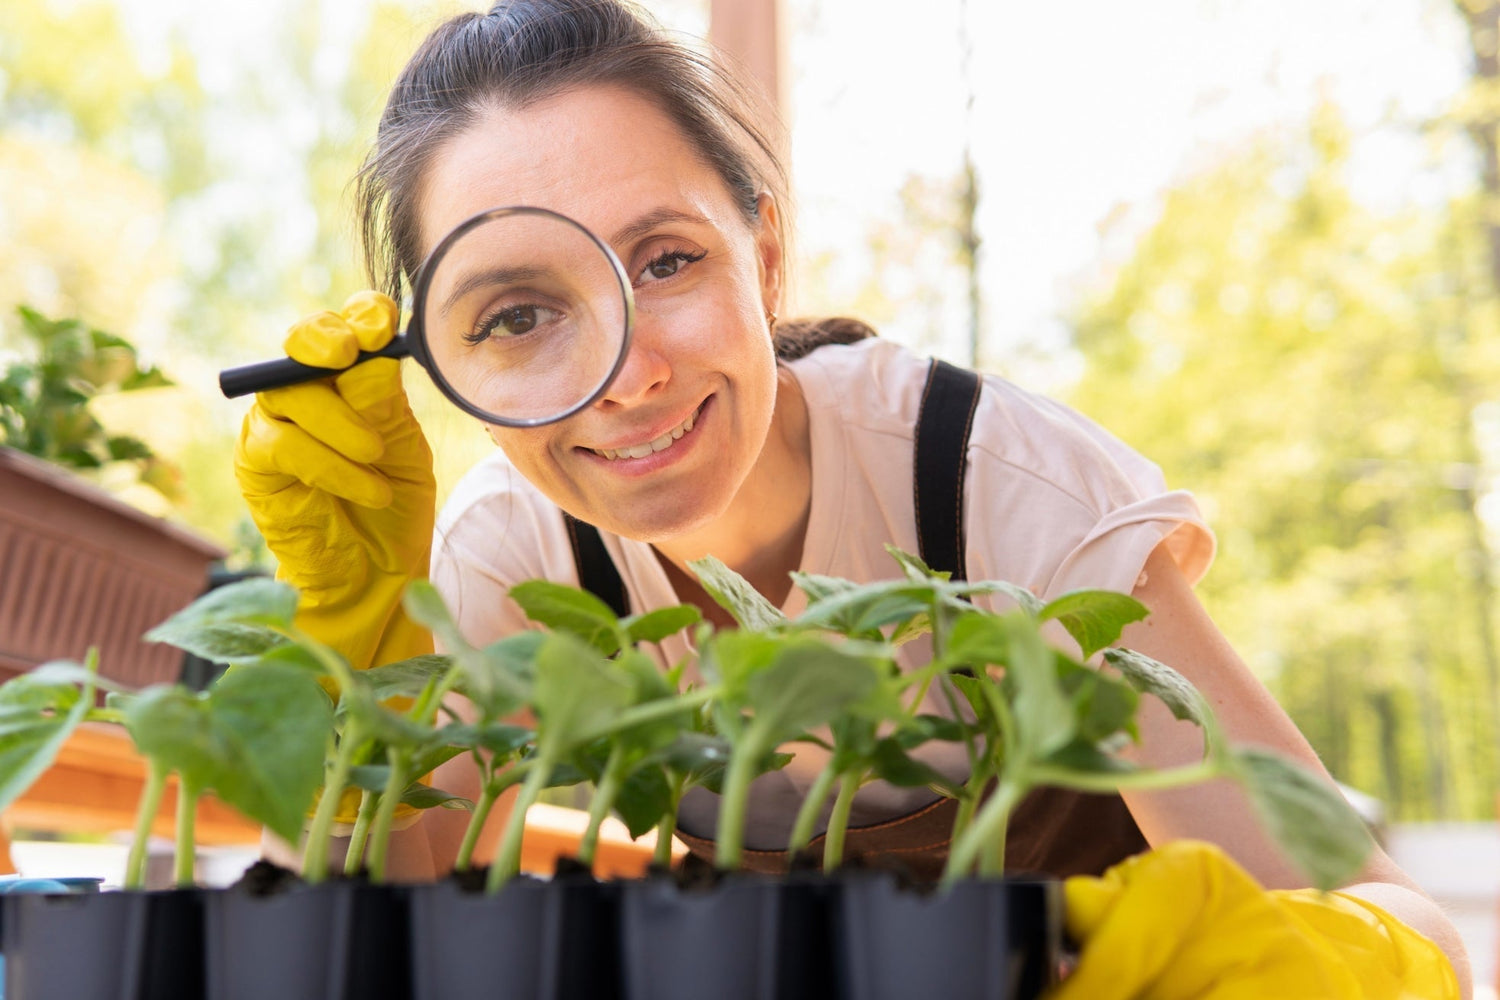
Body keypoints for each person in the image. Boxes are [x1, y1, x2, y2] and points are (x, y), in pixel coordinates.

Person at [233, 0, 1470, 994]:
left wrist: (1281, 958)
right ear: (446, 369)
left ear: (764, 257)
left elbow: (1409, 921)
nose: (631, 373)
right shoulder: (510, 559)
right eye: (518, 315)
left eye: (664, 261)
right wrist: (356, 652)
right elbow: (369, 942)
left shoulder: (992, 482)